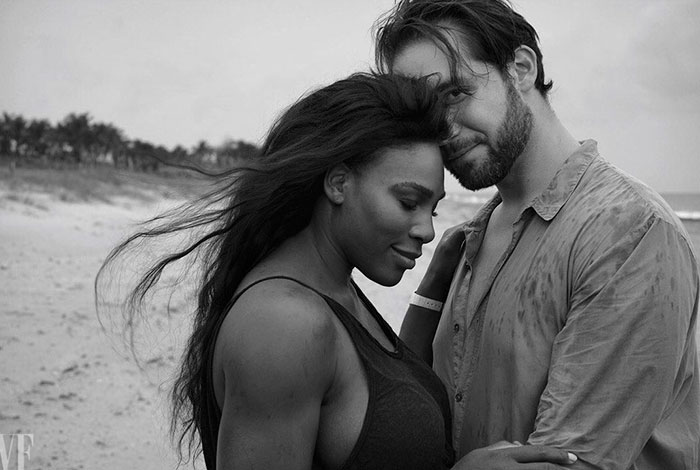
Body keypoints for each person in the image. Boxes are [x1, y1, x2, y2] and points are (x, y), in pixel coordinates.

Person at [96, 73, 577, 470]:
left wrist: (433, 288)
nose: (427, 230)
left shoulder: (331, 286)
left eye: (432, 209)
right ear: (339, 183)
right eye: (408, 201)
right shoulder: (282, 325)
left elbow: (383, 388)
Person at [374, 1, 700, 469]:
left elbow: (570, 461)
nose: (442, 129)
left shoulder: (627, 233)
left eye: (455, 93)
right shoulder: (470, 237)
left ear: (522, 68)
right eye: (425, 113)